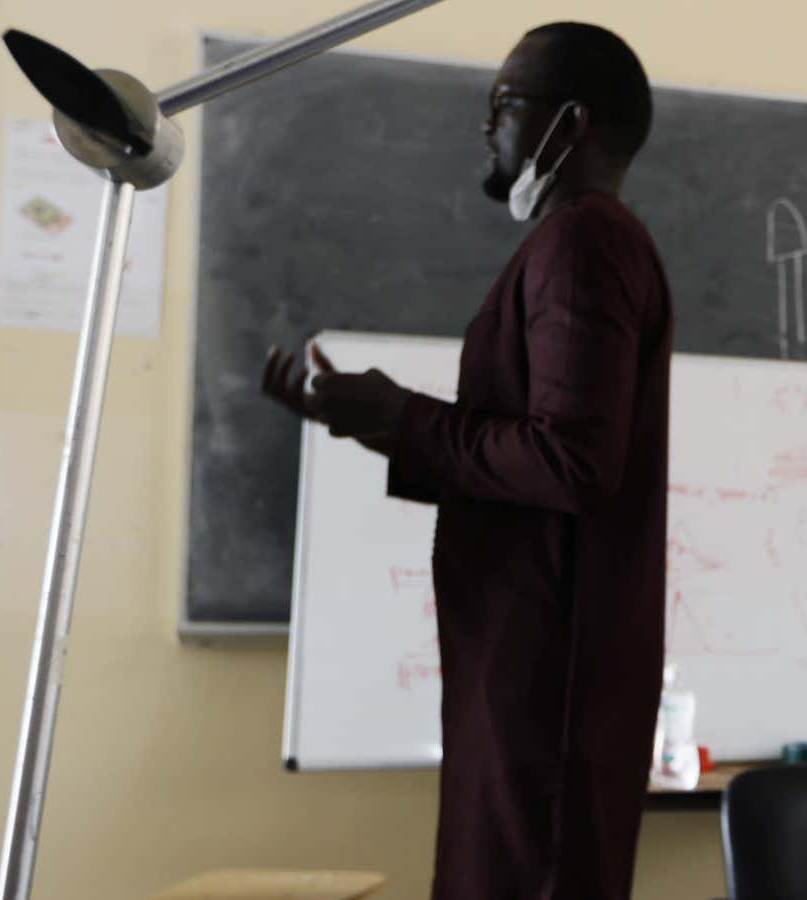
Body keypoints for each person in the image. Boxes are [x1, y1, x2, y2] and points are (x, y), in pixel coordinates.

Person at [261, 22, 672, 900]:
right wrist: (378, 422)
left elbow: (568, 461)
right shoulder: (582, 243)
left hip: (547, 691)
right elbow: (545, 450)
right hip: (534, 674)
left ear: (571, 123)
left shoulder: (582, 244)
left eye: (504, 103)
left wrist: (401, 417)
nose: (485, 124)